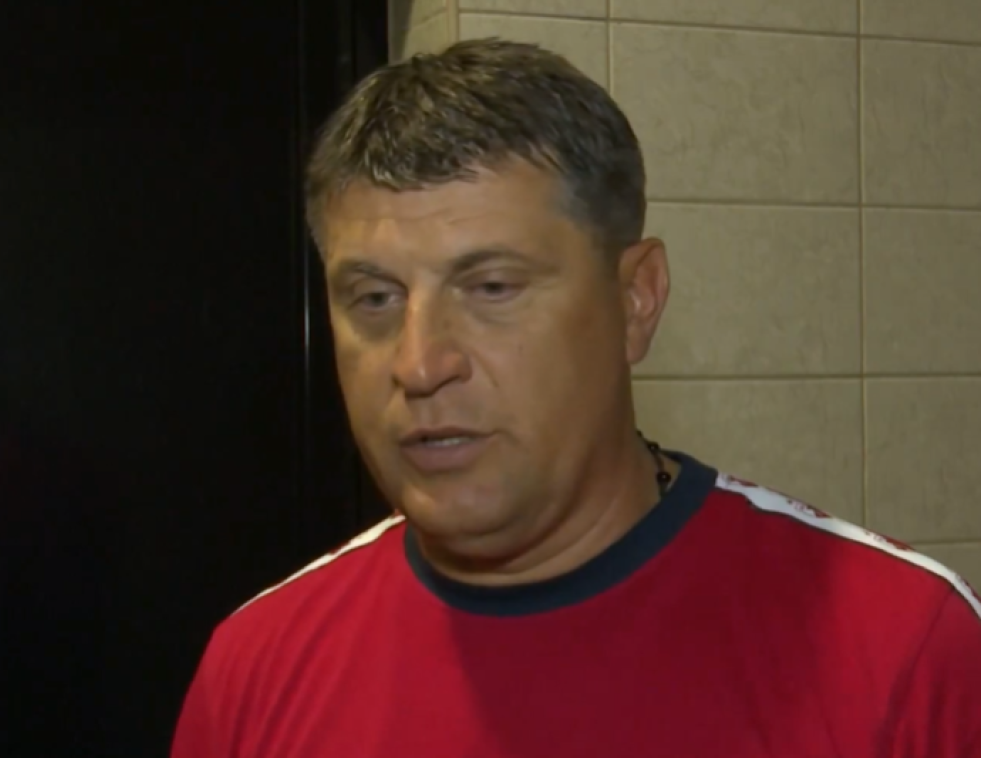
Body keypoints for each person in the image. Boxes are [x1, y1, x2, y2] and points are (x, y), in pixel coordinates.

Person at [170, 38, 981, 757]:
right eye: (375, 299)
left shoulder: (901, 650)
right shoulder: (256, 671)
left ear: (635, 300)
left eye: (491, 287)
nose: (419, 364)